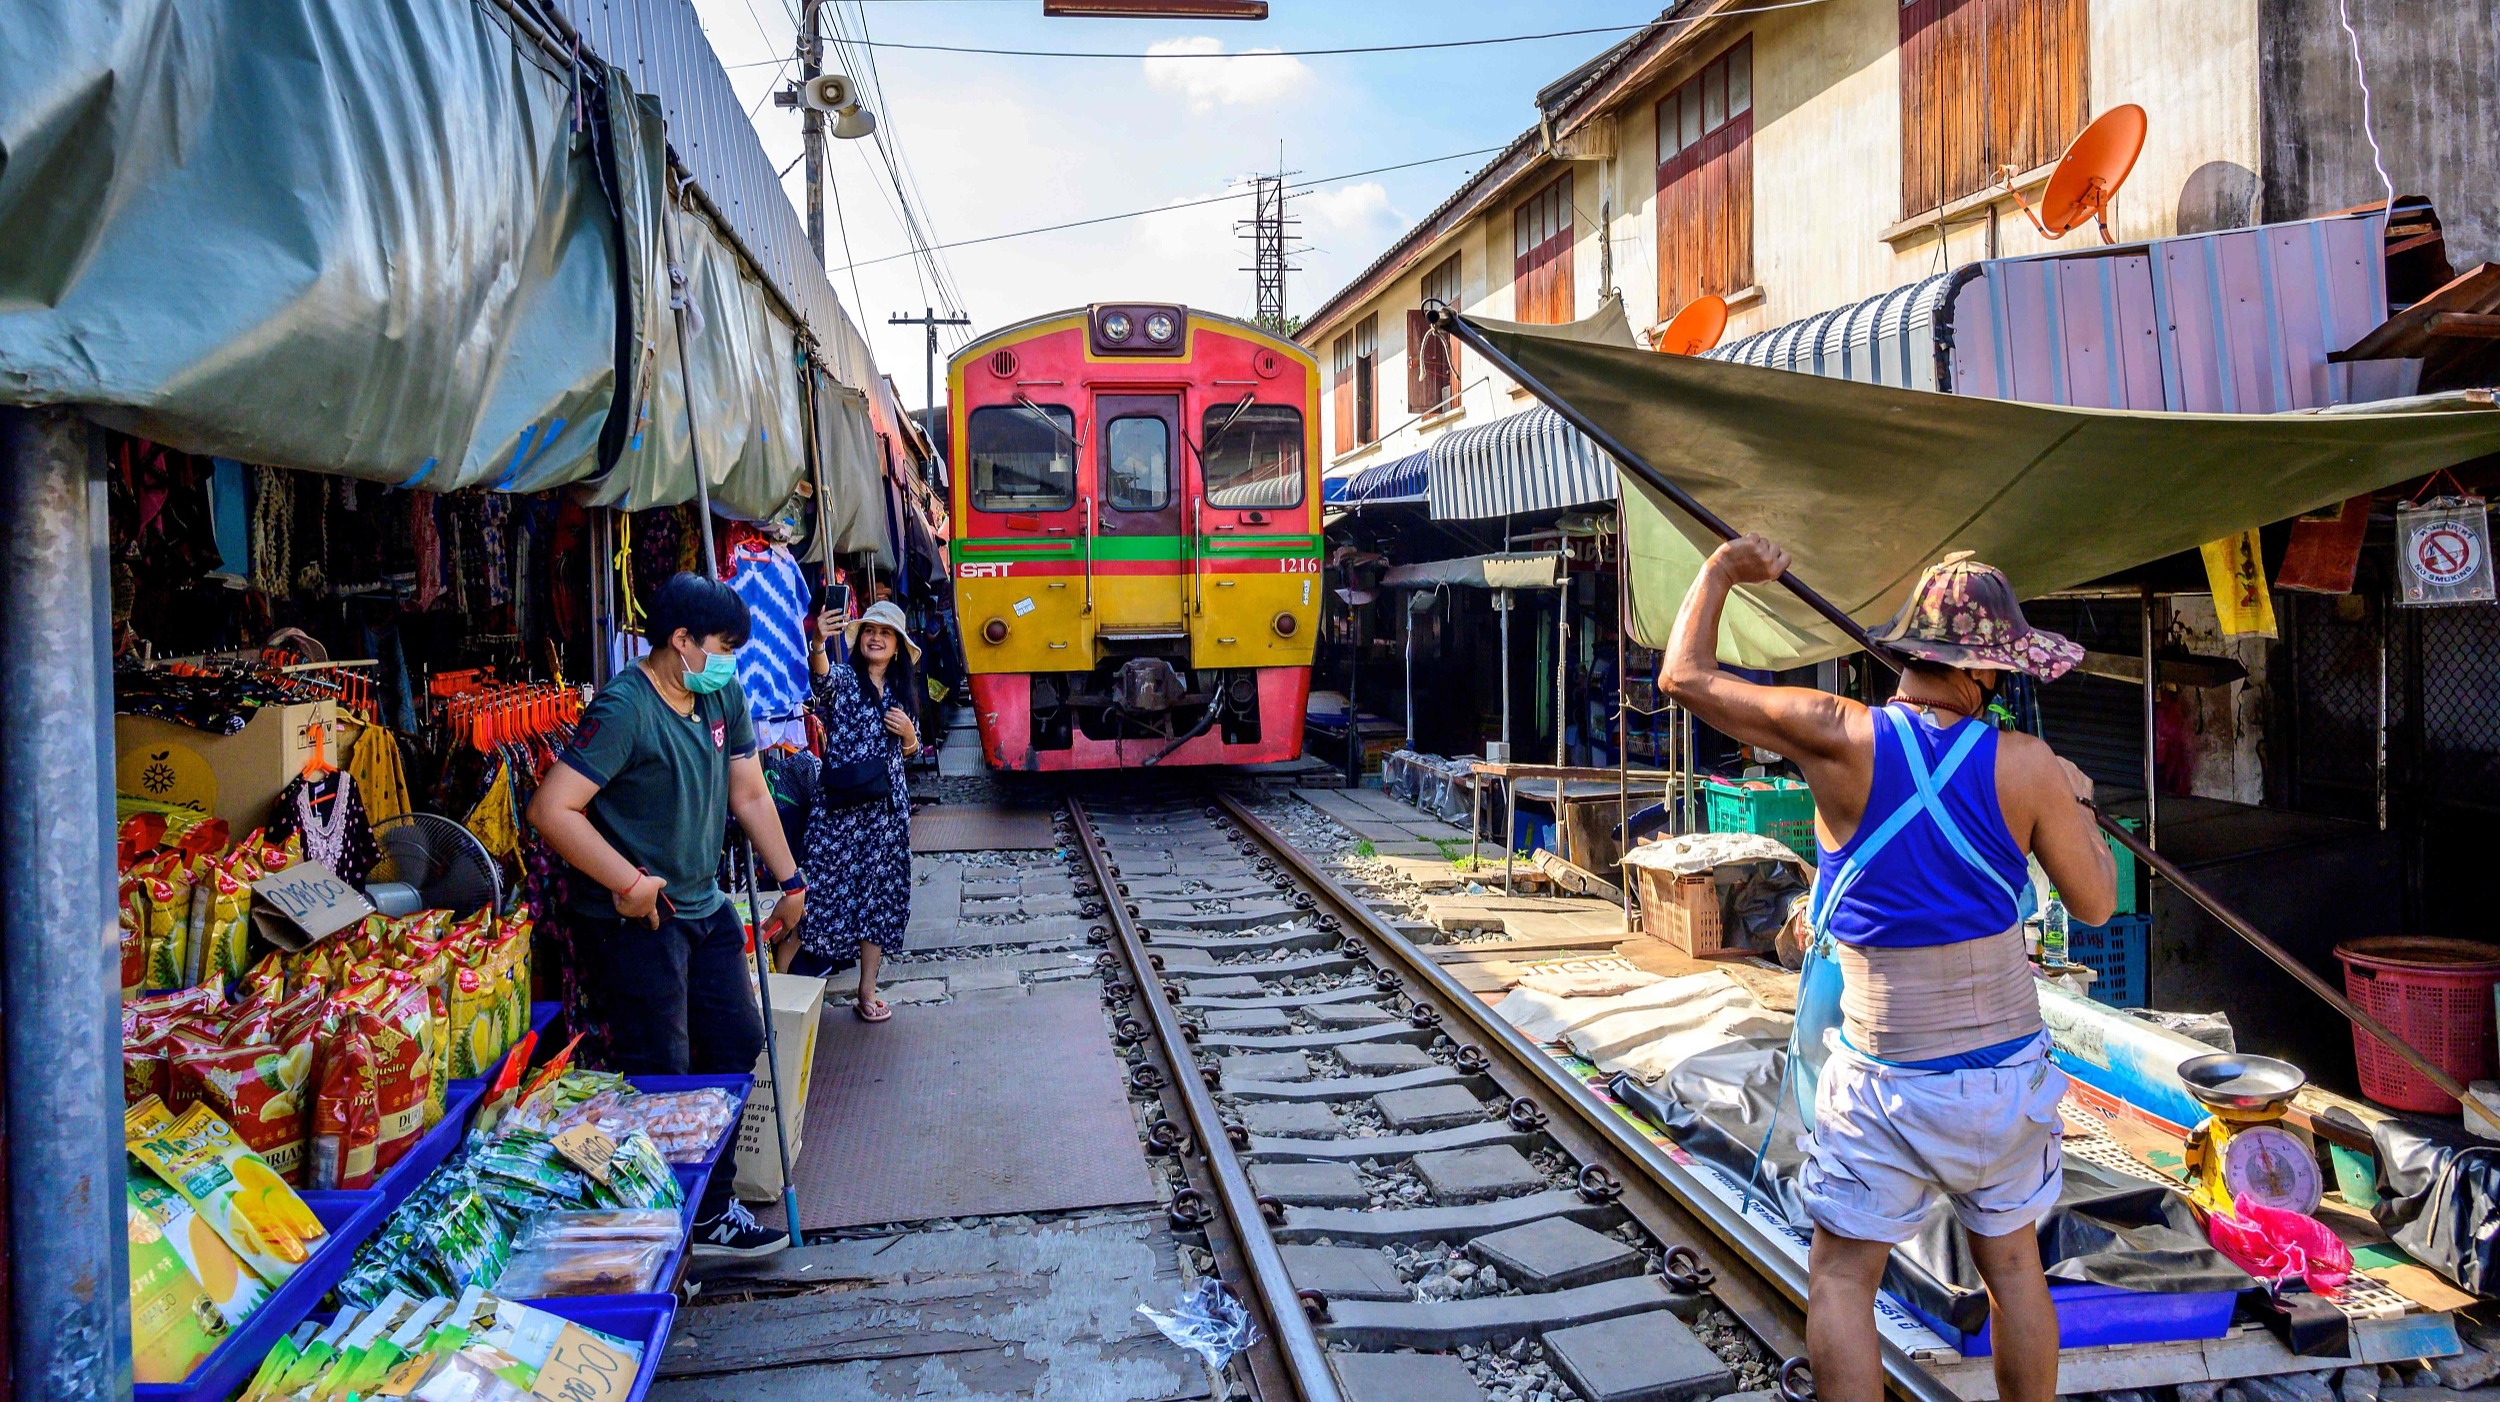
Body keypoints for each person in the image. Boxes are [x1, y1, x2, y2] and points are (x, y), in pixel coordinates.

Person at [1662, 538, 2114, 1402]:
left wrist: (1722, 570)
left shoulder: (1839, 737)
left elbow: (1684, 677)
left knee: (1840, 1279)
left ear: (1907, 655)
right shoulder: (2027, 767)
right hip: (2001, 1080)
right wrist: (2077, 803)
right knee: (2014, 1265)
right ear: (1986, 675)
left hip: (1886, 1077)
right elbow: (2094, 904)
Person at [527, 572, 809, 1259]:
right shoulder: (626, 707)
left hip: (705, 903)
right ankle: (660, 1228)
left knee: (737, 1041)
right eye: (722, 645)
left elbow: (748, 793)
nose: (731, 660)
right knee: (664, 1067)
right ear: (680, 640)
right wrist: (629, 881)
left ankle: (710, 1210)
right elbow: (551, 809)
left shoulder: (720, 694)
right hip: (637, 921)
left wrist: (791, 878)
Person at [788, 598, 920, 1020]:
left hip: (884, 817)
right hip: (840, 813)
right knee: (815, 899)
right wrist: (818, 641)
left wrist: (910, 735)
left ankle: (866, 991)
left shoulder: (902, 694)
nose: (876, 638)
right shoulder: (845, 679)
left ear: (897, 646)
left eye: (885, 633)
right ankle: (780, 992)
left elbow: (908, 755)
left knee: (876, 903)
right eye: (869, 631)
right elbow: (821, 679)